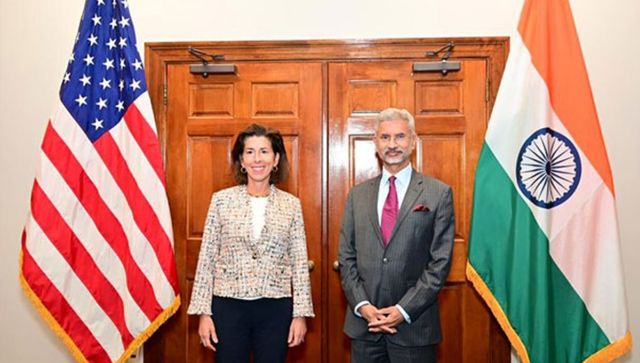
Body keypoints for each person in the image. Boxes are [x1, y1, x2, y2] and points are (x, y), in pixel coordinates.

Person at [187, 123, 314, 363]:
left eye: (264, 151)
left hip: (276, 309)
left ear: (276, 159)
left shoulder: (291, 205)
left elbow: (299, 263)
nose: (257, 159)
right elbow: (207, 259)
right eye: (250, 152)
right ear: (241, 161)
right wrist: (204, 313)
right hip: (228, 308)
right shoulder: (221, 201)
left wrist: (300, 315)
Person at [338, 108, 454, 363]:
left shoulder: (438, 193)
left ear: (412, 141)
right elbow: (346, 258)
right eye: (385, 137)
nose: (392, 145)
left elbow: (440, 264)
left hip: (415, 329)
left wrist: (403, 310)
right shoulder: (357, 195)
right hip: (365, 328)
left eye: (400, 137)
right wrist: (363, 307)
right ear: (375, 143)